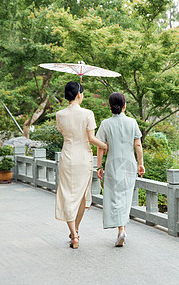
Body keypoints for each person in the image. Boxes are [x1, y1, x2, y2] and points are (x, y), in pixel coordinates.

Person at [55, 81, 107, 249]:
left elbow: (63, 133)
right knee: (82, 195)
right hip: (83, 157)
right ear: (79, 94)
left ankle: (74, 234)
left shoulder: (59, 115)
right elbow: (91, 139)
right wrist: (106, 146)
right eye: (82, 93)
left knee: (67, 193)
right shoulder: (88, 113)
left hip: (67, 154)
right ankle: (76, 229)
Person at [96, 92, 145, 247]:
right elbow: (138, 145)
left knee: (114, 197)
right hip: (129, 164)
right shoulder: (132, 122)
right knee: (126, 196)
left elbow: (100, 147)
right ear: (125, 105)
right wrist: (141, 164)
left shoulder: (105, 124)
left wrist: (99, 165)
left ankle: (121, 229)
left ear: (110, 106)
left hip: (112, 164)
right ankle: (122, 228)